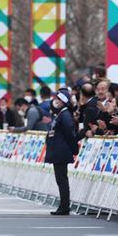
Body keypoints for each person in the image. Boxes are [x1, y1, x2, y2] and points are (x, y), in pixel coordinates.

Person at [45, 87, 78, 215]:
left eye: (58, 98)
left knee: (62, 179)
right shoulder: (61, 113)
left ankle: (64, 206)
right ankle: (63, 205)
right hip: (58, 150)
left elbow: (69, 133)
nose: (55, 101)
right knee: (60, 179)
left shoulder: (64, 115)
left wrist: (74, 148)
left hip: (61, 151)